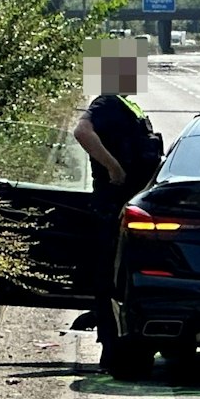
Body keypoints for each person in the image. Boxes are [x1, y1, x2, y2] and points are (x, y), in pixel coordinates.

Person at [69, 91, 161, 333]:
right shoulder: (106, 102)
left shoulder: (126, 105)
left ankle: (118, 330)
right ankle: (110, 340)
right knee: (110, 272)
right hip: (113, 201)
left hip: (130, 201)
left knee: (123, 270)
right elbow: (82, 132)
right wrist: (113, 168)